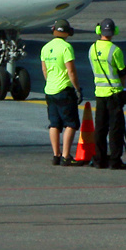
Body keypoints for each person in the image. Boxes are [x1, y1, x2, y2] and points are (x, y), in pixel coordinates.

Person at [89, 18, 126, 169]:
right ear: (114, 32)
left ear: (99, 31)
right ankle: (114, 159)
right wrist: (123, 89)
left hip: (99, 92)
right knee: (115, 128)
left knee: (100, 127)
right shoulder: (115, 50)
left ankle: (99, 159)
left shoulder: (92, 49)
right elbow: (122, 72)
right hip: (114, 93)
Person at [41, 19, 82, 165]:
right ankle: (66, 156)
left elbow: (44, 70)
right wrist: (77, 88)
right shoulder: (66, 47)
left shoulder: (45, 48)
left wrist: (50, 82)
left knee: (54, 124)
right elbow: (71, 70)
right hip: (64, 89)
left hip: (50, 90)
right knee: (71, 123)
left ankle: (56, 155)